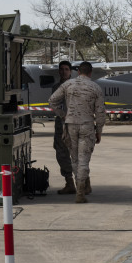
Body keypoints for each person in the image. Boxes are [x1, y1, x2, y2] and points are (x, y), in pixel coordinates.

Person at [48, 61, 105, 204]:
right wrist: (99, 131)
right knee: (83, 160)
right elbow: (100, 113)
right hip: (87, 126)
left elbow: (52, 101)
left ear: (78, 71)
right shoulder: (95, 87)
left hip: (70, 126)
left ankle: (79, 188)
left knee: (74, 160)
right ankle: (80, 192)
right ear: (90, 73)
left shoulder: (67, 85)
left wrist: (63, 115)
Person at [50, 61, 76, 195]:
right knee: (61, 153)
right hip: (61, 124)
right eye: (61, 69)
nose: (64, 71)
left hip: (75, 123)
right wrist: (62, 115)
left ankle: (84, 183)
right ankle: (69, 182)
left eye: (66, 69)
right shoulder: (56, 87)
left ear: (70, 71)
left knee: (78, 153)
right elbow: (54, 104)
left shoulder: (76, 86)